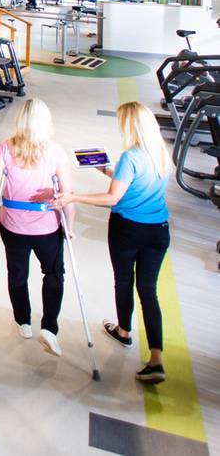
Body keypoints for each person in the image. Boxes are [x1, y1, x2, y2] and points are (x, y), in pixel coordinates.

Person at [53, 102, 172, 384]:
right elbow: (130, 184)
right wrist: (107, 171)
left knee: (123, 281)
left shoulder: (131, 157)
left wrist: (73, 197)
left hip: (128, 229)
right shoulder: (161, 154)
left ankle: (124, 331)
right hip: (158, 231)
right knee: (148, 290)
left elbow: (112, 199)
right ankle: (156, 359)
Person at [0, 99, 73, 357]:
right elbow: (67, 194)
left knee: (17, 273)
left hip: (12, 226)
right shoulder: (56, 151)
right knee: (54, 273)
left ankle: (23, 321)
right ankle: (49, 327)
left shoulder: (4, 149)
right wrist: (71, 226)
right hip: (47, 228)